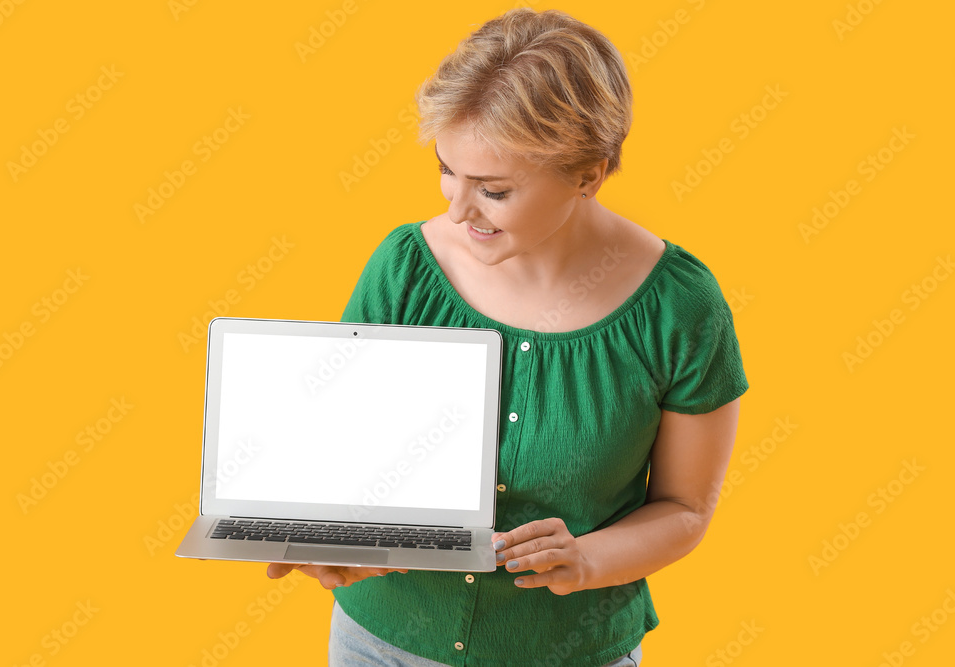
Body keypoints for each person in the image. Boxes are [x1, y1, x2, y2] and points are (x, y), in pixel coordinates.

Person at [268, 7, 749, 666]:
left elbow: (686, 506)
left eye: (493, 190)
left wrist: (587, 557)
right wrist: (331, 538)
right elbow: (344, 458)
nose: (456, 209)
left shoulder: (680, 308)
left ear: (590, 173)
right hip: (380, 645)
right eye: (446, 171)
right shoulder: (405, 267)